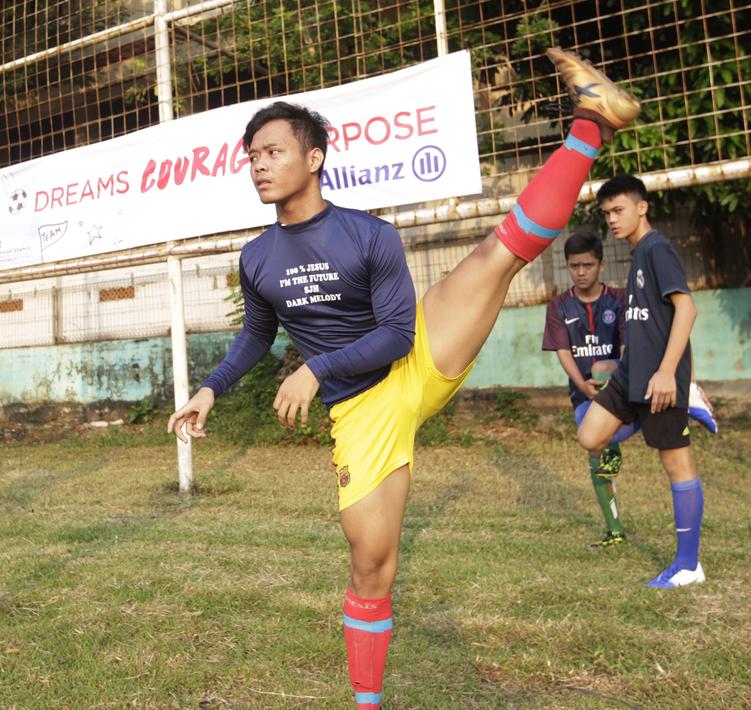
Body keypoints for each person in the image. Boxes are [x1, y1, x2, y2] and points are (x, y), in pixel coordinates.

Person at [167, 49, 640, 708]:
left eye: (272, 151)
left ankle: (591, 122)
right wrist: (209, 388)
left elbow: (393, 333)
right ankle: (368, 704)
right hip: (360, 413)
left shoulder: (368, 235)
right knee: (370, 566)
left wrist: (314, 368)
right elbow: (254, 336)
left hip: (413, 356)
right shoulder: (256, 258)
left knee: (495, 256)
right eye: (251, 155)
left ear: (313, 159)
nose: (258, 164)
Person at [577, 174, 707, 589]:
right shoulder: (637, 256)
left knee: (676, 464)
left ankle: (688, 565)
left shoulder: (657, 249)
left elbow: (686, 309)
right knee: (591, 435)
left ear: (641, 207)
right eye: (607, 213)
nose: (612, 220)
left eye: (619, 210)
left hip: (659, 380)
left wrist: (669, 372)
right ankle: (687, 399)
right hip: (633, 374)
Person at [541, 232, 630, 547]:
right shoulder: (559, 307)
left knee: (608, 442)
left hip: (622, 391)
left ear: (601, 265)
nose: (581, 272)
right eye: (574, 266)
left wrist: (613, 378)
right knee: (593, 449)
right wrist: (583, 384)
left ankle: (615, 446)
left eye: (587, 265)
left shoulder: (619, 300)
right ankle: (615, 529)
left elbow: (626, 344)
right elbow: (563, 350)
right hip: (583, 393)